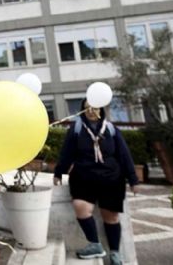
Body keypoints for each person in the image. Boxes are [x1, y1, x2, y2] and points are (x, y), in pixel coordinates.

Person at [54, 100, 138, 265]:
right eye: (87, 108)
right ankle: (95, 244)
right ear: (82, 111)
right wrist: (58, 172)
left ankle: (115, 253)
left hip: (111, 178)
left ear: (101, 109)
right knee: (81, 208)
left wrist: (133, 179)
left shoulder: (111, 129)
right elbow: (67, 153)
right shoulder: (77, 129)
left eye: (94, 108)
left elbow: (124, 155)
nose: (91, 111)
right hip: (83, 177)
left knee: (111, 216)